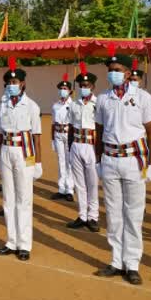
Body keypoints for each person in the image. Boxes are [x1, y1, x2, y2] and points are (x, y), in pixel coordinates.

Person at [93, 47, 151, 286]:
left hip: (134, 161)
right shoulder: (103, 98)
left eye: (117, 70)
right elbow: (98, 131)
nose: (112, 74)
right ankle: (116, 260)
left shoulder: (143, 98)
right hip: (110, 160)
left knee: (133, 214)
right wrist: (98, 161)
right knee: (114, 214)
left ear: (129, 73)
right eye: (110, 71)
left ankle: (132, 264)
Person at [0, 58, 42, 262]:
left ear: (22, 83)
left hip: (24, 151)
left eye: (15, 83)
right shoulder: (2, 104)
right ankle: (11, 241)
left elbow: (36, 135)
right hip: (6, 148)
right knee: (8, 198)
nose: (12, 86)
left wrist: (38, 162)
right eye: (9, 83)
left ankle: (24, 244)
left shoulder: (31, 106)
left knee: (24, 199)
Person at [66, 62, 100, 232]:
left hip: (92, 146)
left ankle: (93, 216)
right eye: (81, 85)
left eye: (87, 85)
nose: (84, 88)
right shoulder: (74, 104)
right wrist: (70, 146)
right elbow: (71, 127)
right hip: (77, 145)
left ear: (93, 86)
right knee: (79, 183)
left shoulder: (98, 103)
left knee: (92, 182)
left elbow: (102, 128)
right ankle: (82, 215)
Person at [50, 74, 75, 202]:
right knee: (61, 161)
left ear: (70, 91)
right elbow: (53, 123)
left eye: (65, 88)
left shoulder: (74, 104)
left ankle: (69, 189)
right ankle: (61, 189)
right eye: (61, 88)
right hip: (58, 134)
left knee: (69, 162)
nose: (63, 90)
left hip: (69, 134)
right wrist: (52, 139)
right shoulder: (55, 105)